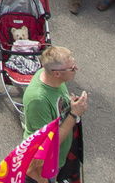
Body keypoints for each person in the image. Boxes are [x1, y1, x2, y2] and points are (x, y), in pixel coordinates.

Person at [22, 46, 88, 183]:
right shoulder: (38, 100)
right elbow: (47, 145)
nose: (76, 69)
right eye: (71, 68)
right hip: (44, 169)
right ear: (57, 73)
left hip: (59, 161)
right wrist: (74, 114)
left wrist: (70, 104)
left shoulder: (55, 80)